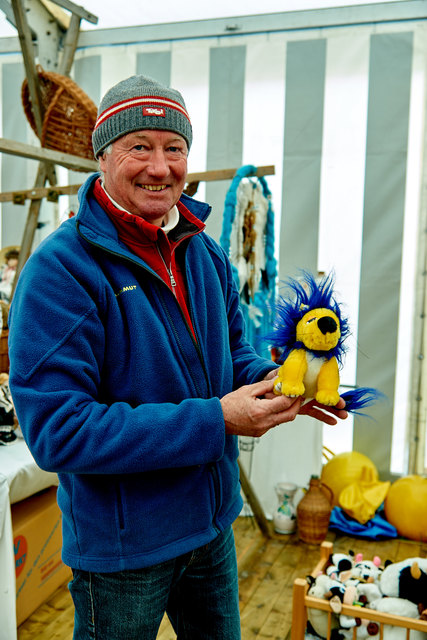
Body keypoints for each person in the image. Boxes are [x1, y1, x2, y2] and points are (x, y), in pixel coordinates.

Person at [8, 75, 347, 640]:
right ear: (103, 155)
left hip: (212, 528)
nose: (160, 167)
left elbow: (230, 357)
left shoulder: (203, 252)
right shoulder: (61, 272)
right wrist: (217, 419)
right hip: (124, 552)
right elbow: (58, 432)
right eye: (139, 146)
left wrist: (279, 380)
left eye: (175, 148)